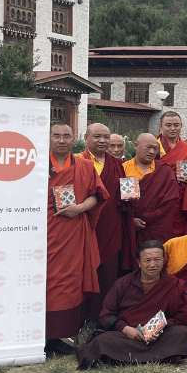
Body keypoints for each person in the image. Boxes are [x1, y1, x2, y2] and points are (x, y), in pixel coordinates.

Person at [77, 240, 187, 369]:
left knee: (182, 333)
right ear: (138, 262)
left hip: (158, 336)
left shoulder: (174, 284)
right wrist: (125, 329)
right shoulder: (123, 283)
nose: (153, 264)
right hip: (128, 335)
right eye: (147, 260)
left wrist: (160, 329)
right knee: (103, 340)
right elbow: (106, 315)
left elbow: (183, 318)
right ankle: (162, 356)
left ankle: (122, 358)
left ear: (164, 260)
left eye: (157, 259)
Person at [47, 123, 108, 355]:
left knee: (68, 283)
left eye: (66, 136)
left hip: (73, 232)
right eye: (56, 136)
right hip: (43, 231)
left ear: (75, 139)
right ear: (49, 138)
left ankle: (57, 336)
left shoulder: (84, 165)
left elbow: (96, 195)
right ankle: (39, 335)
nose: (61, 140)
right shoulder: (36, 164)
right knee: (45, 282)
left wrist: (80, 207)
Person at [76, 123, 131, 318]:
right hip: (83, 225)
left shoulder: (116, 164)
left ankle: (104, 317)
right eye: (97, 136)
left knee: (107, 273)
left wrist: (131, 196)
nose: (102, 141)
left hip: (110, 226)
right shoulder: (77, 161)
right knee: (82, 272)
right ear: (86, 137)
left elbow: (123, 196)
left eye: (106, 137)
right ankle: (82, 318)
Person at [125, 133, 182, 246]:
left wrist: (147, 218)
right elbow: (117, 201)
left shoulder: (164, 171)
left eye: (155, 149)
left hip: (157, 226)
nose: (151, 152)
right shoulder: (124, 168)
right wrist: (130, 220)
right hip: (129, 224)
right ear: (136, 145)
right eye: (148, 147)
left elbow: (169, 201)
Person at [156, 112, 187, 237]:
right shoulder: (153, 147)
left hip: (181, 200)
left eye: (176, 125)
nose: (172, 128)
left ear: (181, 125)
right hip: (159, 198)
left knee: (179, 235)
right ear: (160, 126)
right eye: (168, 125)